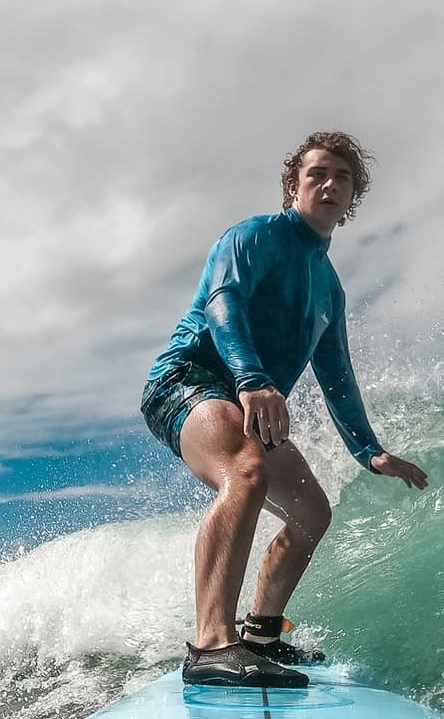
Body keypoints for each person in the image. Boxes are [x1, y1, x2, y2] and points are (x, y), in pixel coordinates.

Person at [140, 130, 428, 687]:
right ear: (294, 185)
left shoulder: (328, 287)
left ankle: (261, 635)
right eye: (317, 173)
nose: (329, 184)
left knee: (311, 513)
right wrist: (251, 379)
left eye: (342, 178)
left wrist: (371, 452)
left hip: (248, 404)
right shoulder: (253, 237)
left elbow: (336, 374)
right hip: (187, 380)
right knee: (244, 470)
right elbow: (225, 301)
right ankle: (210, 646)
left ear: (351, 200)